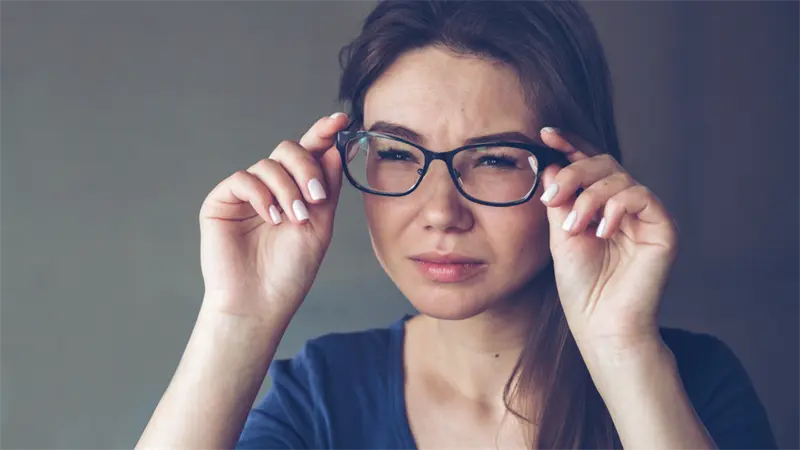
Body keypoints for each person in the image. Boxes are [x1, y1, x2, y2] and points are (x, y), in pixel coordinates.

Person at [136, 0, 778, 449]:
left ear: (579, 170)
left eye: (496, 160)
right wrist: (236, 319)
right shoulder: (322, 397)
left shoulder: (689, 383)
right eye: (395, 153)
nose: (441, 212)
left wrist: (621, 349)